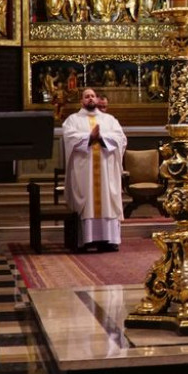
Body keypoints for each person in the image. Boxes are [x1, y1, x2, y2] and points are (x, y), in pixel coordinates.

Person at [62, 88, 127, 252]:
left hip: (106, 169)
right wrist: (89, 138)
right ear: (81, 101)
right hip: (84, 169)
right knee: (88, 200)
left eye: (92, 96)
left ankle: (109, 239)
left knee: (107, 199)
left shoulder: (109, 119)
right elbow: (69, 137)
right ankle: (87, 239)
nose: (90, 99)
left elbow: (120, 138)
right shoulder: (72, 120)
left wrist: (102, 138)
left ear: (97, 100)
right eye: (86, 96)